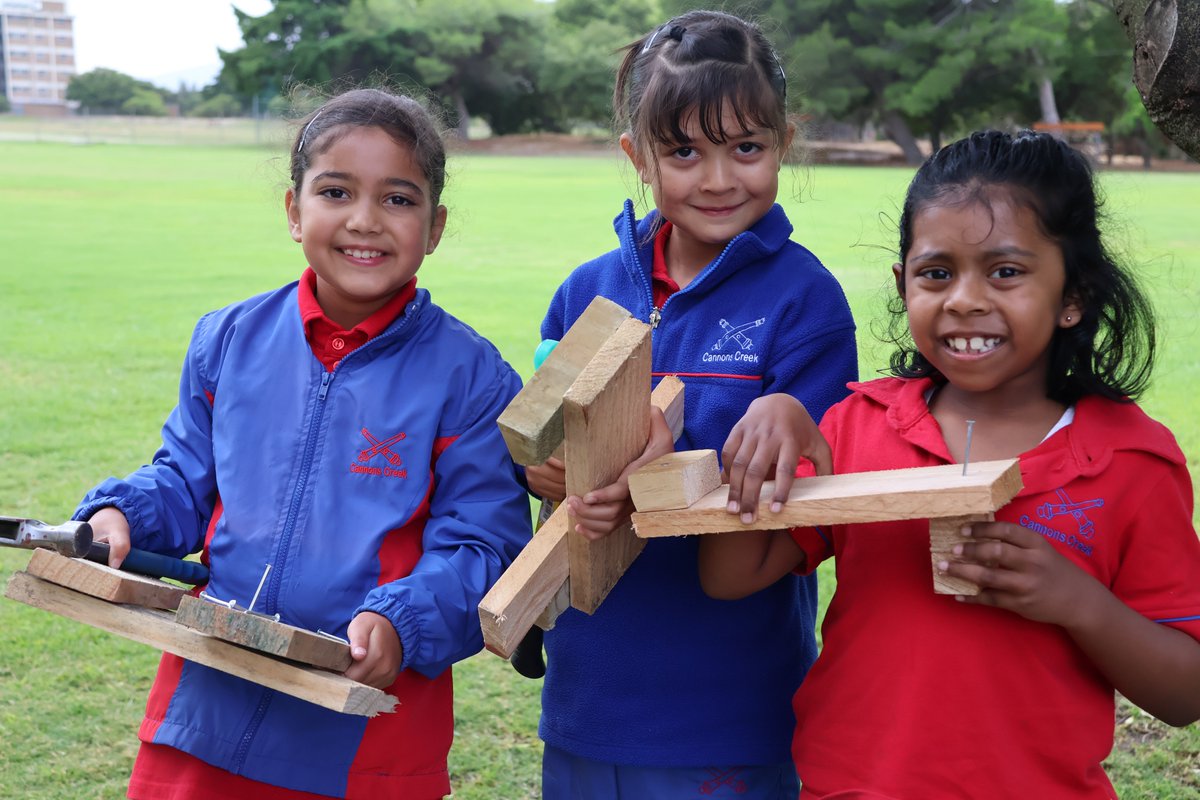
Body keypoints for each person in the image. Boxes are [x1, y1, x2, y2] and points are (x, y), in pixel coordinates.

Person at [699, 129, 1200, 799]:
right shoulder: (856, 427)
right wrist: (773, 420)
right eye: (937, 272)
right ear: (903, 283)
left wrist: (1081, 605)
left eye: (1006, 271)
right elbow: (729, 577)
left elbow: (1185, 694)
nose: (964, 299)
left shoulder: (1132, 463)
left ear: (1073, 294)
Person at [73, 87, 532, 800]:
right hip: (206, 710)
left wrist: (402, 619)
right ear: (294, 210)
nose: (365, 221)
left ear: (435, 226)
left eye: (398, 200)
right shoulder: (228, 340)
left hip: (367, 735)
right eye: (336, 191)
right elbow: (184, 480)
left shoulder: (472, 378)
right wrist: (122, 515)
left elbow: (484, 546)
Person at [524, 10, 858, 798]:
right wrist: (549, 473)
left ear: (784, 142)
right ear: (638, 158)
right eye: (684, 151)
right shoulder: (585, 291)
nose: (717, 178)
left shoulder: (806, 302)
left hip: (728, 713)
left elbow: (815, 499)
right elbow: (540, 450)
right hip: (585, 698)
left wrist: (677, 465)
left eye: (746, 147)